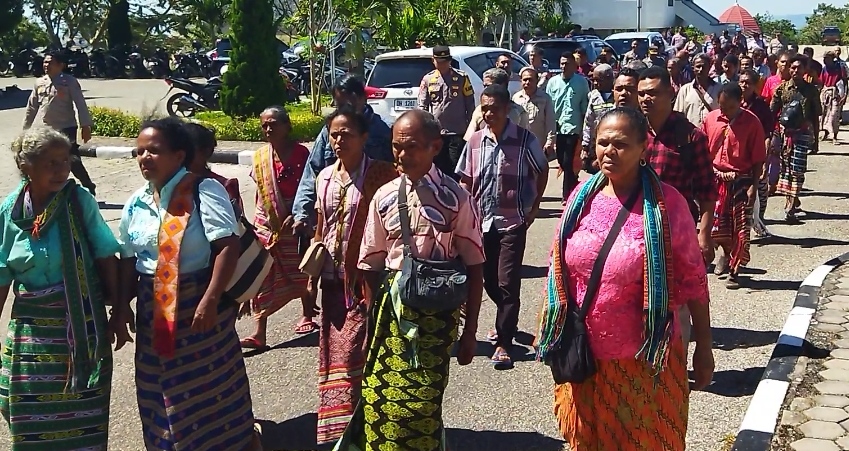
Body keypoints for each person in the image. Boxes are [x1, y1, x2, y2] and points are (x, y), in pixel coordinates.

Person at [536, 107, 713, 451]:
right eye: (603, 143)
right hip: (585, 358)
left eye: (621, 144)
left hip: (645, 362)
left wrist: (704, 348)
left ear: (643, 148)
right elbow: (558, 266)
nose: (609, 152)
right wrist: (550, 324)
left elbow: (694, 283)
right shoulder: (580, 199)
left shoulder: (669, 207)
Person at [336, 110, 485, 450]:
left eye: (412, 147)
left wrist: (470, 333)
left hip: (437, 318)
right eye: (396, 147)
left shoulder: (456, 198)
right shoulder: (384, 197)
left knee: (420, 406)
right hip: (390, 318)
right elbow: (370, 266)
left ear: (435, 147)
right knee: (376, 397)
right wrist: (371, 327)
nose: (402, 156)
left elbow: (475, 266)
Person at [117, 117, 259, 450]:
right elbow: (127, 257)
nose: (144, 158)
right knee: (160, 395)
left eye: (154, 151)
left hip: (200, 312)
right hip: (155, 317)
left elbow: (228, 245)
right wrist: (122, 306)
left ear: (179, 155)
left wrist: (210, 300)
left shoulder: (202, 190)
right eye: (139, 152)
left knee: (214, 392)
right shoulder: (136, 203)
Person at [0, 127, 123, 450]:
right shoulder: (9, 212)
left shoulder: (79, 201)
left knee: (83, 411)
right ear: (26, 165)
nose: (61, 170)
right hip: (30, 332)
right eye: (50, 162)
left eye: (65, 160)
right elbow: (2, 274)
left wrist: (119, 311)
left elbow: (106, 254)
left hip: (82, 327)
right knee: (18, 404)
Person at [312, 106, 398, 444]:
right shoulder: (324, 178)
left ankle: (362, 427)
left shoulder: (382, 176)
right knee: (334, 357)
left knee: (356, 353)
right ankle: (339, 430)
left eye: (346, 134)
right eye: (333, 134)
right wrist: (312, 269)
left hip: (366, 283)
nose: (338, 140)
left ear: (364, 138)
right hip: (331, 284)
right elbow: (322, 226)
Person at [457, 85, 548, 369]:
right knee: (488, 281)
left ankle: (504, 343)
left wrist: (534, 206)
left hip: (513, 222)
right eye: (484, 108)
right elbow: (465, 180)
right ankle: (505, 319)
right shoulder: (474, 141)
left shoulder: (524, 140)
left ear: (507, 109)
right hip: (480, 223)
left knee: (508, 282)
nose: (488, 113)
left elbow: (542, 168)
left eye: (494, 108)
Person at [243, 106, 313, 345]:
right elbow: (261, 192)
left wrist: (298, 215)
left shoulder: (302, 155)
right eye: (264, 125)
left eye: (273, 123)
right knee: (263, 271)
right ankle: (259, 332)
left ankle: (308, 312)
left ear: (287, 125)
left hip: (294, 221)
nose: (269, 129)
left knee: (300, 270)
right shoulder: (261, 157)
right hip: (267, 222)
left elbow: (309, 189)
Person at [292, 75, 393, 232]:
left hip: (374, 217)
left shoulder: (383, 130)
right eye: (339, 106)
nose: (339, 139)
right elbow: (312, 172)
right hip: (337, 216)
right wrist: (302, 214)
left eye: (348, 105)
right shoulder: (329, 132)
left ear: (362, 99)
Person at [638, 66, 716, 265]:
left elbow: (707, 192)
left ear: (670, 93)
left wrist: (704, 234)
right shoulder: (632, 133)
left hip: (677, 229)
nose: (646, 98)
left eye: (653, 93)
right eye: (641, 94)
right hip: (636, 229)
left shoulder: (690, 137)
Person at [702, 83, 766, 288]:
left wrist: (753, 187)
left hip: (741, 180)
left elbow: (757, 158)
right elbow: (702, 149)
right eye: (721, 106)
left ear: (740, 102)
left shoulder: (752, 122)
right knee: (715, 227)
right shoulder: (711, 119)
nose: (724, 111)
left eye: (729, 107)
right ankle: (725, 254)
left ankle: (735, 270)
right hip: (714, 180)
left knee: (740, 229)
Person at [22, 51, 96, 196]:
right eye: (45, 62)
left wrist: (85, 125)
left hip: (67, 127)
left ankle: (88, 185)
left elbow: (80, 103)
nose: (46, 65)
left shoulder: (69, 82)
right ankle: (53, 188)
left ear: (61, 65)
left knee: (72, 159)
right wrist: (25, 129)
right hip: (48, 129)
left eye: (50, 62)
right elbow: (31, 107)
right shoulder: (40, 83)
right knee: (47, 159)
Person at [771, 54, 822, 222]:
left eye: (799, 68)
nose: (795, 71)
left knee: (797, 168)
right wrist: (772, 135)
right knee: (785, 168)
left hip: (803, 133)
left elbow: (815, 115)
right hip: (785, 134)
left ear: (804, 70)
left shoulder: (811, 90)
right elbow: (772, 112)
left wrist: (816, 141)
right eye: (792, 67)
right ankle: (791, 198)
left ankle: (791, 205)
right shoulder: (782, 89)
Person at [417, 45, 476, 177]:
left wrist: (471, 128)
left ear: (449, 61)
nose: (442, 64)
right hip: (437, 132)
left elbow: (470, 105)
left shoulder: (462, 77)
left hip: (457, 131)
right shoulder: (428, 79)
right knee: (438, 168)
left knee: (455, 169)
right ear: (433, 60)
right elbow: (422, 106)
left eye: (445, 61)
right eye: (439, 61)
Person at [546, 51, 590, 198]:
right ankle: (573, 183)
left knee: (568, 161)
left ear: (574, 65)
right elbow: (548, 105)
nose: (564, 66)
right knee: (562, 161)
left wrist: (585, 130)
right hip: (557, 128)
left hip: (573, 127)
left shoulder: (582, 82)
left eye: (567, 63)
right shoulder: (553, 82)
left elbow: (585, 107)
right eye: (562, 63)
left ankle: (567, 195)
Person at [738, 69, 776, 238]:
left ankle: (759, 221)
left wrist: (765, 154)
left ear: (754, 86)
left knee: (760, 188)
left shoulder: (760, 106)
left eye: (748, 83)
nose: (744, 85)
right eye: (741, 81)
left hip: (757, 151)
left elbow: (768, 131)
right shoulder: (733, 102)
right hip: (738, 152)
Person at [185, 122, 244, 215]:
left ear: (206, 152)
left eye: (187, 152)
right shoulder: (166, 184)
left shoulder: (223, 186)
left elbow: (234, 224)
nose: (180, 156)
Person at [464, 68, 529, 140]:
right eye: (484, 86)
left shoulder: (519, 112)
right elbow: (469, 138)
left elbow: (525, 139)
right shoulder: (480, 110)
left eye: (489, 86)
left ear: (503, 85)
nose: (485, 89)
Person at [513, 66, 557, 158]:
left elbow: (550, 121)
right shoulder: (516, 98)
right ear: (521, 81)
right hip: (520, 145)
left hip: (539, 146)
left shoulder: (545, 98)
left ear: (537, 81)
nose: (527, 82)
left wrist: (550, 142)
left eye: (530, 80)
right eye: (525, 80)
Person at [582, 64, 616, 173]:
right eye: (594, 80)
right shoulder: (593, 96)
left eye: (598, 80)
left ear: (609, 78)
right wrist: (585, 147)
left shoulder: (618, 95)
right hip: (596, 145)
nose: (595, 83)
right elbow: (588, 122)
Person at [674, 53, 722, 128]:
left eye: (704, 66)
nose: (701, 69)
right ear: (693, 68)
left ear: (709, 67)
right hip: (692, 136)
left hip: (713, 134)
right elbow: (678, 115)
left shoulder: (719, 89)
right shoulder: (685, 90)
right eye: (698, 67)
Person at [820, 51, 847, 144]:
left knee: (834, 115)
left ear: (831, 59)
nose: (824, 60)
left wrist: (845, 95)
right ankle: (826, 132)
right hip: (826, 93)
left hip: (836, 94)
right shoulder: (824, 69)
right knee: (824, 115)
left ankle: (834, 136)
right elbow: (822, 82)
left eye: (826, 58)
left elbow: (845, 81)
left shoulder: (840, 68)